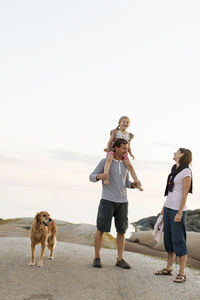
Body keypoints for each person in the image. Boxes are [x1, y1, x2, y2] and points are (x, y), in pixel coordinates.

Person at [89, 138, 141, 269]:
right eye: (123, 148)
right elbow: (91, 176)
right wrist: (100, 176)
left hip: (123, 202)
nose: (125, 151)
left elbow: (126, 182)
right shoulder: (105, 161)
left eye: (127, 148)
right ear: (116, 148)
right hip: (107, 200)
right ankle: (97, 257)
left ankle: (120, 259)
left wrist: (133, 185)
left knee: (122, 232)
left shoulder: (125, 164)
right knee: (101, 230)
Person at [155, 148, 192, 283]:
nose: (174, 153)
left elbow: (184, 193)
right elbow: (171, 192)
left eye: (177, 151)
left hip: (177, 210)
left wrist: (180, 212)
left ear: (183, 155)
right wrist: (163, 209)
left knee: (179, 240)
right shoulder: (174, 170)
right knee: (168, 240)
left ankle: (182, 273)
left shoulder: (186, 171)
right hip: (169, 208)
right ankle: (169, 268)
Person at [103, 116, 143, 191]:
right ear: (119, 123)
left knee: (130, 166)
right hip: (113, 149)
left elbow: (129, 146)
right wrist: (108, 148)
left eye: (127, 122)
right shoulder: (115, 132)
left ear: (129, 124)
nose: (125, 123)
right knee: (109, 160)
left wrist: (131, 154)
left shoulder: (129, 135)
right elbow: (110, 141)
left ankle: (137, 182)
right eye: (123, 122)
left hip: (123, 152)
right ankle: (105, 177)